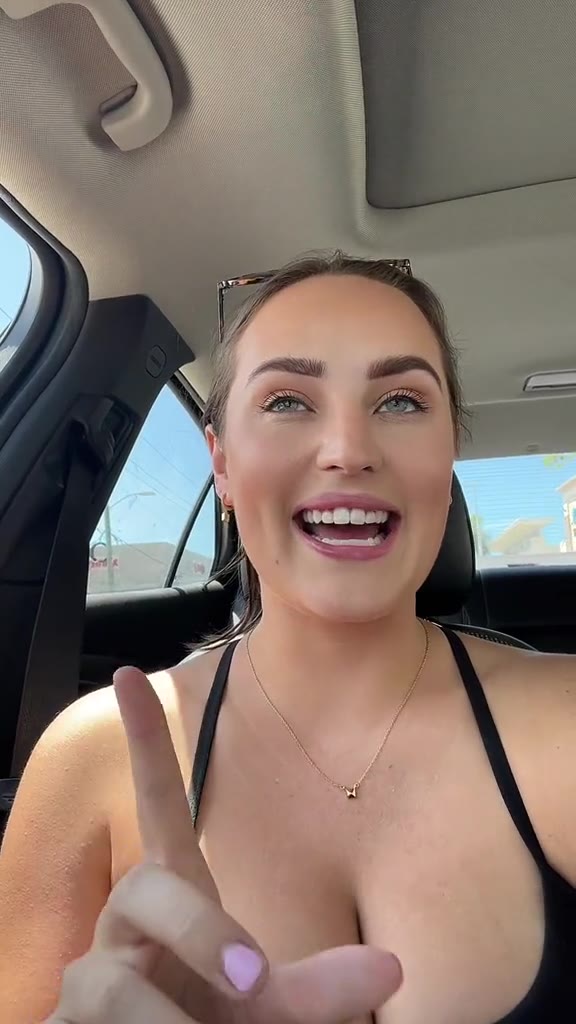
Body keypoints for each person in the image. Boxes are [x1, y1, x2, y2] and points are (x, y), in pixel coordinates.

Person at [1, 252, 575, 1024]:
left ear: (449, 456)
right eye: (287, 402)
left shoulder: (567, 715)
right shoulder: (91, 757)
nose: (348, 449)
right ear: (222, 465)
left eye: (401, 400)